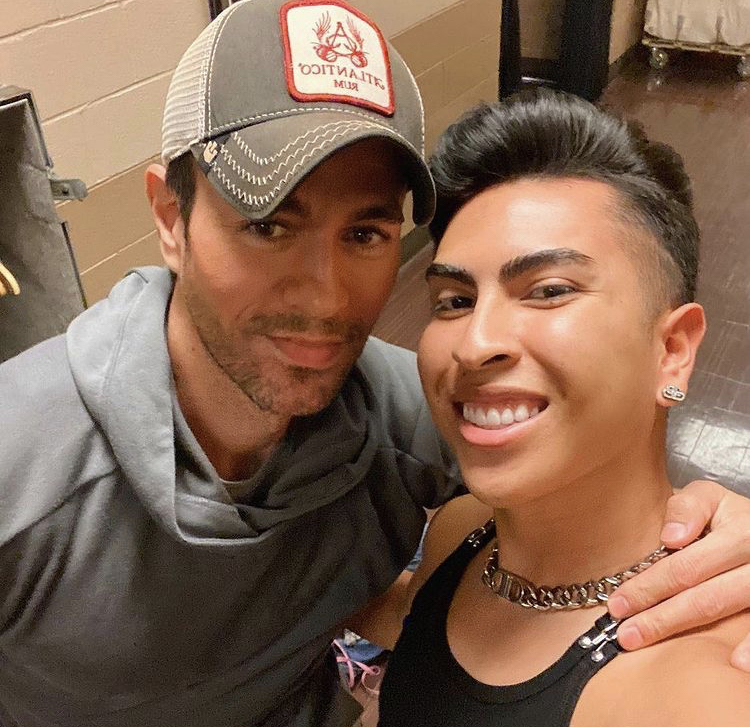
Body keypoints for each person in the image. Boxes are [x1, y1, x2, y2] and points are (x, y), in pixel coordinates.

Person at [0, 2, 748, 726]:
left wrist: (719, 527)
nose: (327, 297)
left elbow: (593, 468)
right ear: (171, 217)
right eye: (268, 224)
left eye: (364, 233)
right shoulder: (22, 470)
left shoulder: (413, 416)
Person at [376, 89, 750, 726]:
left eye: (548, 291)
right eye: (454, 301)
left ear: (672, 350)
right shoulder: (460, 534)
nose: (474, 344)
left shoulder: (698, 692)